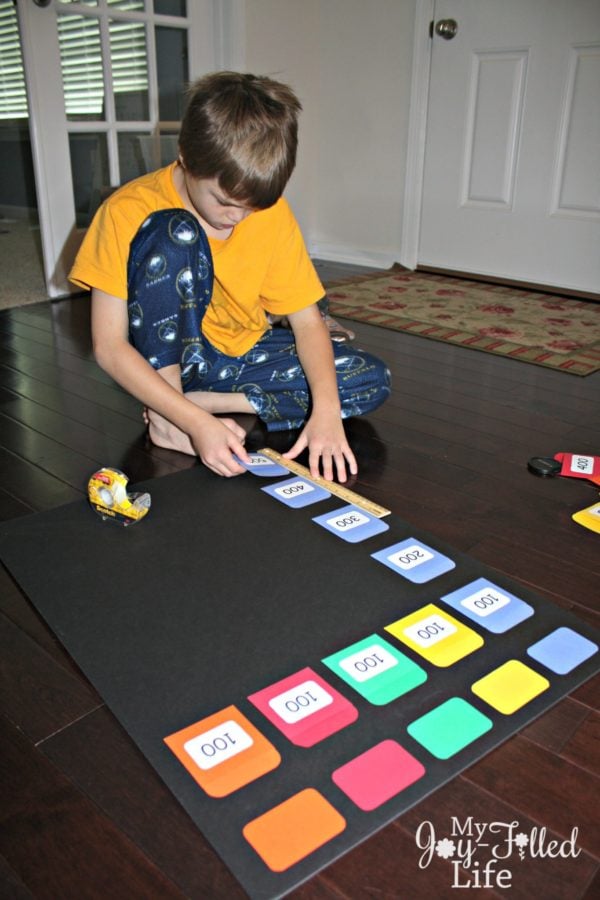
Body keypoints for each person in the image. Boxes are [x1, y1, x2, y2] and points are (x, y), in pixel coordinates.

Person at [70, 72, 391, 482]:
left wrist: (325, 414)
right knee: (174, 230)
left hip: (238, 357)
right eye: (224, 202)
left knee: (369, 378)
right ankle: (172, 418)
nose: (236, 218)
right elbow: (109, 346)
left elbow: (307, 323)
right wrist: (197, 426)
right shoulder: (127, 210)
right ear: (185, 156)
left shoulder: (271, 215)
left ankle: (203, 401)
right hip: (170, 359)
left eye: (252, 207)